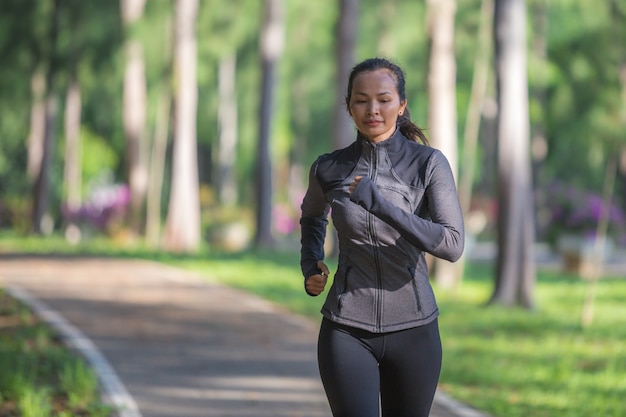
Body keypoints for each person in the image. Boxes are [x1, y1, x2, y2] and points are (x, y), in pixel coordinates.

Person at [299, 57, 465, 417]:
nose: (372, 109)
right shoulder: (329, 168)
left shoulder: (428, 164)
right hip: (346, 330)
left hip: (415, 330)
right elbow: (312, 215)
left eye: (384, 99)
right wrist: (310, 261)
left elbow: (451, 244)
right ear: (349, 107)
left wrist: (383, 205)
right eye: (361, 100)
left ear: (401, 105)